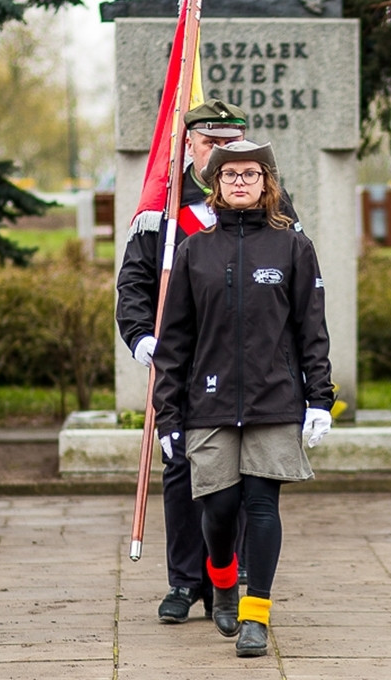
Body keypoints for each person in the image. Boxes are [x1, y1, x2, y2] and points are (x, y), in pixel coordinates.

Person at [152, 139, 334, 657]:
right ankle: (222, 580)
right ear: (215, 185)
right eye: (229, 175)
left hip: (273, 399)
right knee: (219, 506)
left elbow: (311, 329)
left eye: (250, 174)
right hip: (207, 402)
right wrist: (169, 414)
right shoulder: (195, 251)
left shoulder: (293, 247)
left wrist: (319, 398)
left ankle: (256, 615)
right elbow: (175, 342)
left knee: (260, 504)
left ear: (265, 183)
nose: (239, 182)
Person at [116, 99, 250, 624]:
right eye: (210, 142)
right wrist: (140, 337)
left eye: (229, 142)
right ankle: (183, 581)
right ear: (188, 143)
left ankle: (232, 578)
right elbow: (135, 283)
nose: (219, 152)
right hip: (182, 363)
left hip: (242, 360)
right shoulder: (164, 209)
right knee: (181, 470)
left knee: (237, 473)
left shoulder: (263, 203)